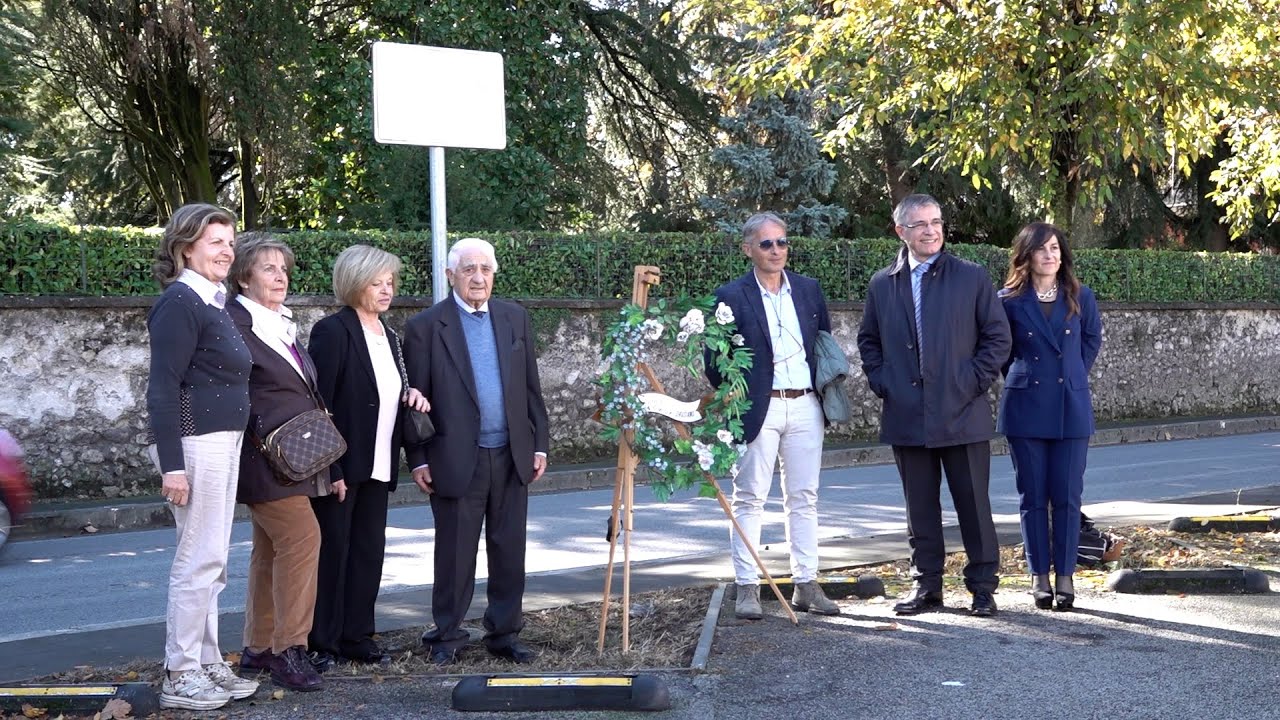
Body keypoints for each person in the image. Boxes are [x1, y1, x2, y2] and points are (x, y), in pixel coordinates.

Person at [856, 193, 1011, 618]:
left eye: (936, 221)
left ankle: (982, 588)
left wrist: (971, 381)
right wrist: (883, 382)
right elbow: (869, 341)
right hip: (907, 413)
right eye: (921, 224)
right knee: (919, 510)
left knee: (974, 508)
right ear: (901, 231)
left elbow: (997, 337)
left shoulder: (971, 276)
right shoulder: (882, 283)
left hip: (962, 411)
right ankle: (927, 588)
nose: (931, 230)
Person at [403, 237, 549, 666]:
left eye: (485, 268)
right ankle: (447, 635)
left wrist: (539, 443)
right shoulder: (427, 326)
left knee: (510, 550)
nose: (478, 277)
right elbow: (414, 401)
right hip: (453, 458)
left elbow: (530, 389)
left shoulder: (514, 318)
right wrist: (419, 458)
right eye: (468, 269)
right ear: (451, 276)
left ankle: (504, 633)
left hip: (511, 455)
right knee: (454, 553)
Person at [145, 203, 260, 710]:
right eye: (215, 241)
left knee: (212, 562)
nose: (226, 250)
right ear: (185, 247)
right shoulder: (180, 302)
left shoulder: (213, 301)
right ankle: (181, 672)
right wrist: (172, 465)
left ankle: (208, 662)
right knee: (197, 560)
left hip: (222, 441)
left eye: (230, 241)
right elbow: (162, 389)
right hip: (195, 444)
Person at [705, 212, 839, 620]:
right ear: (748, 249)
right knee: (749, 498)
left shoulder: (809, 290)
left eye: (782, 242)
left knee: (805, 498)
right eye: (767, 244)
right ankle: (747, 587)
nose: (776, 250)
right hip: (756, 407)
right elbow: (715, 359)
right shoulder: (729, 295)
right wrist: (738, 395)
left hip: (805, 404)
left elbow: (823, 343)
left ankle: (806, 584)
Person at [307, 245, 428, 668]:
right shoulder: (332, 331)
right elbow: (318, 403)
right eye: (377, 282)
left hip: (379, 464)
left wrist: (409, 394)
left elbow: (388, 392)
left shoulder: (392, 337)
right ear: (355, 283)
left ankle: (358, 636)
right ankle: (322, 643)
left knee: (367, 553)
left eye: (390, 282)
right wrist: (331, 467)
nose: (386, 290)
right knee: (332, 555)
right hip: (341, 466)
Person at [225, 233, 328, 691]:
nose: (280, 275)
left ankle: (258, 649)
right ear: (244, 277)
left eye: (283, 268)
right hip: (259, 456)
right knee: (303, 538)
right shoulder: (233, 323)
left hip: (293, 457)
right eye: (268, 268)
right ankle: (291, 649)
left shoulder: (279, 323)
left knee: (269, 552)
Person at [997, 223, 1102, 611]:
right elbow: (1000, 348)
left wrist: (1071, 375)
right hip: (1025, 407)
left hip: (1071, 409)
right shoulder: (1007, 300)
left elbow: (1091, 341)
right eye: (1041, 249)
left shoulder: (1080, 296)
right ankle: (1039, 576)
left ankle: (1066, 576)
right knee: (1033, 498)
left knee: (1068, 498)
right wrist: (1025, 377)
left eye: (1055, 248)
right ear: (1026, 256)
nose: (1050, 255)